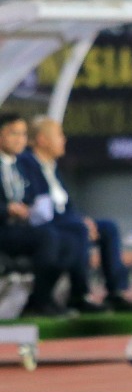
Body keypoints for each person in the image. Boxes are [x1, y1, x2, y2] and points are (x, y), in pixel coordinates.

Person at [17, 116, 132, 313]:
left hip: (67, 221)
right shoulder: (27, 164)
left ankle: (116, 291)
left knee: (108, 228)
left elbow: (65, 204)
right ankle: (79, 295)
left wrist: (81, 220)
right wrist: (79, 222)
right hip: (46, 226)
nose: (64, 140)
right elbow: (40, 208)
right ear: (42, 140)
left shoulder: (52, 167)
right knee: (79, 229)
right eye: (59, 135)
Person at [1, 113, 76, 317]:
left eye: (23, 134)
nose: (20, 139)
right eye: (13, 134)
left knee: (68, 239)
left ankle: (44, 298)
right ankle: (41, 301)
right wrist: (7, 208)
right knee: (48, 237)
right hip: (4, 230)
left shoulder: (18, 166)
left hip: (23, 227)